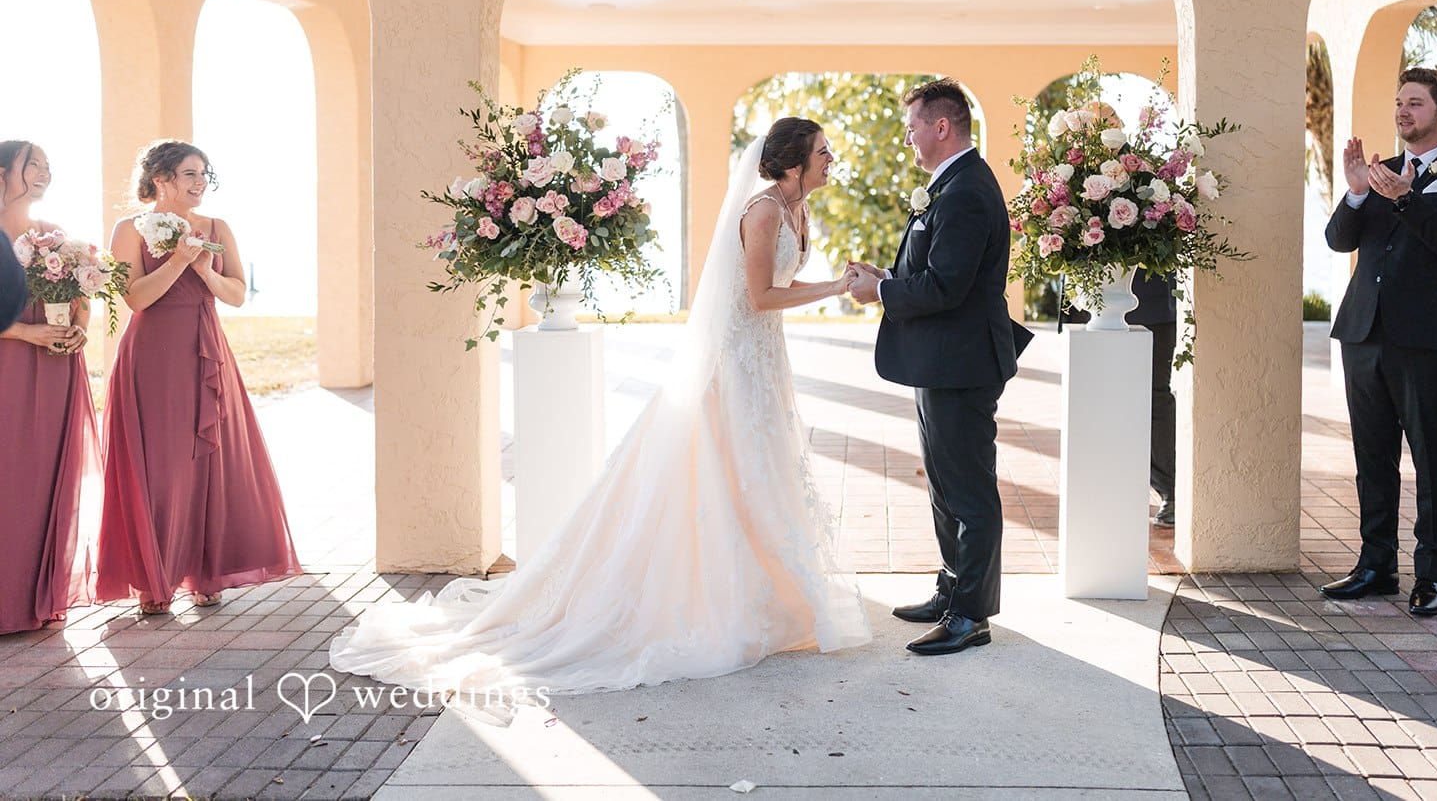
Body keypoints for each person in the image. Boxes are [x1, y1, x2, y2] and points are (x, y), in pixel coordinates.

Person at [329, 118, 870, 698]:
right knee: (727, 473)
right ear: (793, 162)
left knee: (761, 471)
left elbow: (777, 283)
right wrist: (839, 288)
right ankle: (720, 601)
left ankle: (769, 593)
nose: (830, 157)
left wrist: (842, 280)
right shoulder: (762, 211)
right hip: (732, 367)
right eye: (821, 150)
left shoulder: (797, 208)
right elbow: (761, 297)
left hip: (764, 362)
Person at [848, 77, 1033, 656]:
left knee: (970, 491)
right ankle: (952, 590)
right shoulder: (950, 185)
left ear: (942, 127)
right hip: (941, 359)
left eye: (912, 128)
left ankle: (970, 616)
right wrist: (889, 280)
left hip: (963, 362)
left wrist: (882, 295)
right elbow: (935, 274)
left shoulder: (967, 191)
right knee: (945, 486)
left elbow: (948, 286)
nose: (908, 139)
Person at [96, 140, 302, 615]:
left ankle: (206, 571)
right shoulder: (129, 228)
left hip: (205, 351)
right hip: (151, 358)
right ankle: (154, 576)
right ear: (161, 180)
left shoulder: (216, 228)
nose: (199, 183)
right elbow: (137, 298)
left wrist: (205, 272)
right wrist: (178, 261)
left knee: (208, 460)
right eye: (189, 174)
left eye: (204, 174)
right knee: (161, 467)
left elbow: (235, 294)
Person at [1317, 68, 1437, 617]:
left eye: (1414, 103)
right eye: (1398, 102)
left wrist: (1408, 198)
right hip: (1364, 332)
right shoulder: (1378, 171)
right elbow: (1338, 239)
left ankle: (1432, 575)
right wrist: (1356, 192)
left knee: (1433, 459)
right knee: (1373, 455)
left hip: (1429, 339)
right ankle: (1376, 565)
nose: (1402, 111)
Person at [1056, 102, 1179, 527]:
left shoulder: (1143, 175)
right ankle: (1103, 488)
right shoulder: (1068, 180)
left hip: (1149, 308)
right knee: (1097, 398)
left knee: (1155, 399)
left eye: (1093, 129)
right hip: (1090, 312)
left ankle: (1170, 491)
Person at [0, 141, 102, 634]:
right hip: (8, 368)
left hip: (56, 369)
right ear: (3, 173)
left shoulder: (54, 237)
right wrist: (25, 332)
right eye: (31, 164)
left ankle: (34, 598)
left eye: (47, 166)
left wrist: (79, 324)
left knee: (46, 480)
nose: (43, 172)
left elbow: (82, 297)